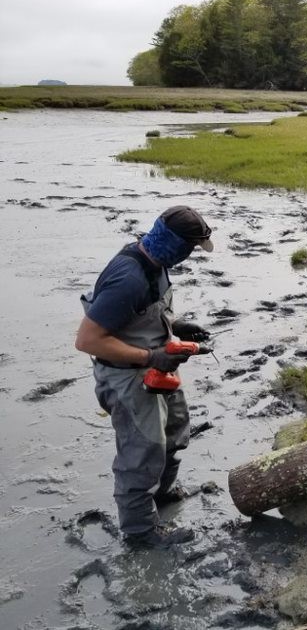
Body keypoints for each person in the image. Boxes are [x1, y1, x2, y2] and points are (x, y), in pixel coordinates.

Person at [75, 206, 214, 548]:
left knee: (173, 432)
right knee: (142, 451)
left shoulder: (157, 264)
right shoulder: (128, 278)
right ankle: (139, 533)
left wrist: (176, 328)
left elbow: (142, 316)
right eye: (191, 247)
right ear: (173, 242)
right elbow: (88, 340)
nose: (191, 254)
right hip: (126, 377)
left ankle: (161, 495)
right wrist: (152, 355)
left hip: (156, 368)